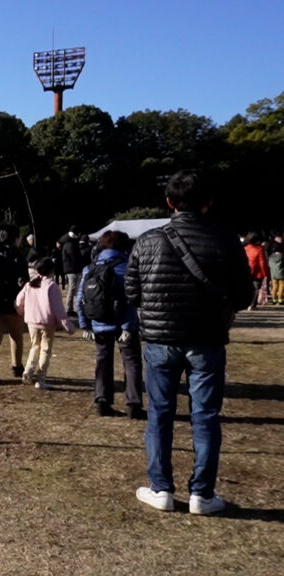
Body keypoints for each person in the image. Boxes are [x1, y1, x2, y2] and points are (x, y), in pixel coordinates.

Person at [127, 169, 253, 516]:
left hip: (159, 340)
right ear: (209, 203)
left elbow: (132, 290)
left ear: (169, 202)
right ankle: (202, 494)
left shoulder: (147, 240)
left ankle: (161, 488)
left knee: (160, 414)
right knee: (206, 417)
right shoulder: (228, 240)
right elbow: (244, 296)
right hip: (207, 340)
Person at [77, 231, 144, 419]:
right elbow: (131, 299)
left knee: (102, 361)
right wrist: (128, 326)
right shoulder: (127, 267)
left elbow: (80, 299)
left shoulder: (89, 268)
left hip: (99, 322)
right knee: (132, 362)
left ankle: (102, 400)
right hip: (124, 323)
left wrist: (85, 324)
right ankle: (133, 404)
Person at [15, 257, 74, 389]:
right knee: (45, 350)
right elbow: (58, 310)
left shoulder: (29, 284)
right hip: (47, 323)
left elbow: (19, 302)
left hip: (31, 322)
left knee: (35, 346)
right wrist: (68, 326)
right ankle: (41, 378)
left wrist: (23, 313)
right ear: (52, 271)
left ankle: (28, 371)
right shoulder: (52, 287)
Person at [0, 225, 29, 384]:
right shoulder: (18, 255)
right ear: (15, 238)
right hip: (13, 301)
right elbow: (25, 279)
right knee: (16, 336)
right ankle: (17, 367)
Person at [59, 226, 85, 316]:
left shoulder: (67, 242)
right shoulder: (71, 244)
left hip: (69, 269)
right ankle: (69, 308)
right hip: (72, 270)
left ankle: (72, 308)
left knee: (73, 288)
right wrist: (78, 268)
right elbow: (74, 258)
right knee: (72, 288)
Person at [243, 233, 270, 310]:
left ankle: (246, 303)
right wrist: (266, 274)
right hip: (257, 272)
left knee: (248, 288)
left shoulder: (245, 248)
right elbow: (262, 263)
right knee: (256, 289)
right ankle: (252, 305)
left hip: (246, 271)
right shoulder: (259, 249)